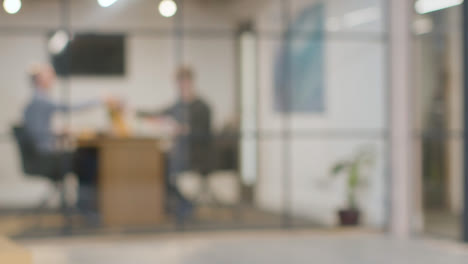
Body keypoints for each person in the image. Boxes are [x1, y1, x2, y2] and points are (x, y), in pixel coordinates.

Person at [23, 63, 109, 215]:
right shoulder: (40, 99)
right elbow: (69, 107)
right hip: (46, 158)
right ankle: (87, 208)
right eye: (48, 76)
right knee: (88, 159)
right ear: (39, 79)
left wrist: (57, 132)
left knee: (84, 156)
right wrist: (100, 100)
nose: (52, 80)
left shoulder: (36, 100)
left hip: (44, 154)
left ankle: (84, 206)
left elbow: (38, 130)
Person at [138, 66, 213, 221]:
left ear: (191, 82)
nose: (182, 86)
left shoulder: (203, 107)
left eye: (184, 82)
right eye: (179, 82)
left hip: (197, 154)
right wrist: (138, 113)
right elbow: (159, 113)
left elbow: (202, 133)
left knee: (163, 168)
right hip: (180, 152)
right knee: (158, 165)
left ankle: (185, 204)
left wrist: (183, 129)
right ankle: (176, 204)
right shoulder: (177, 105)